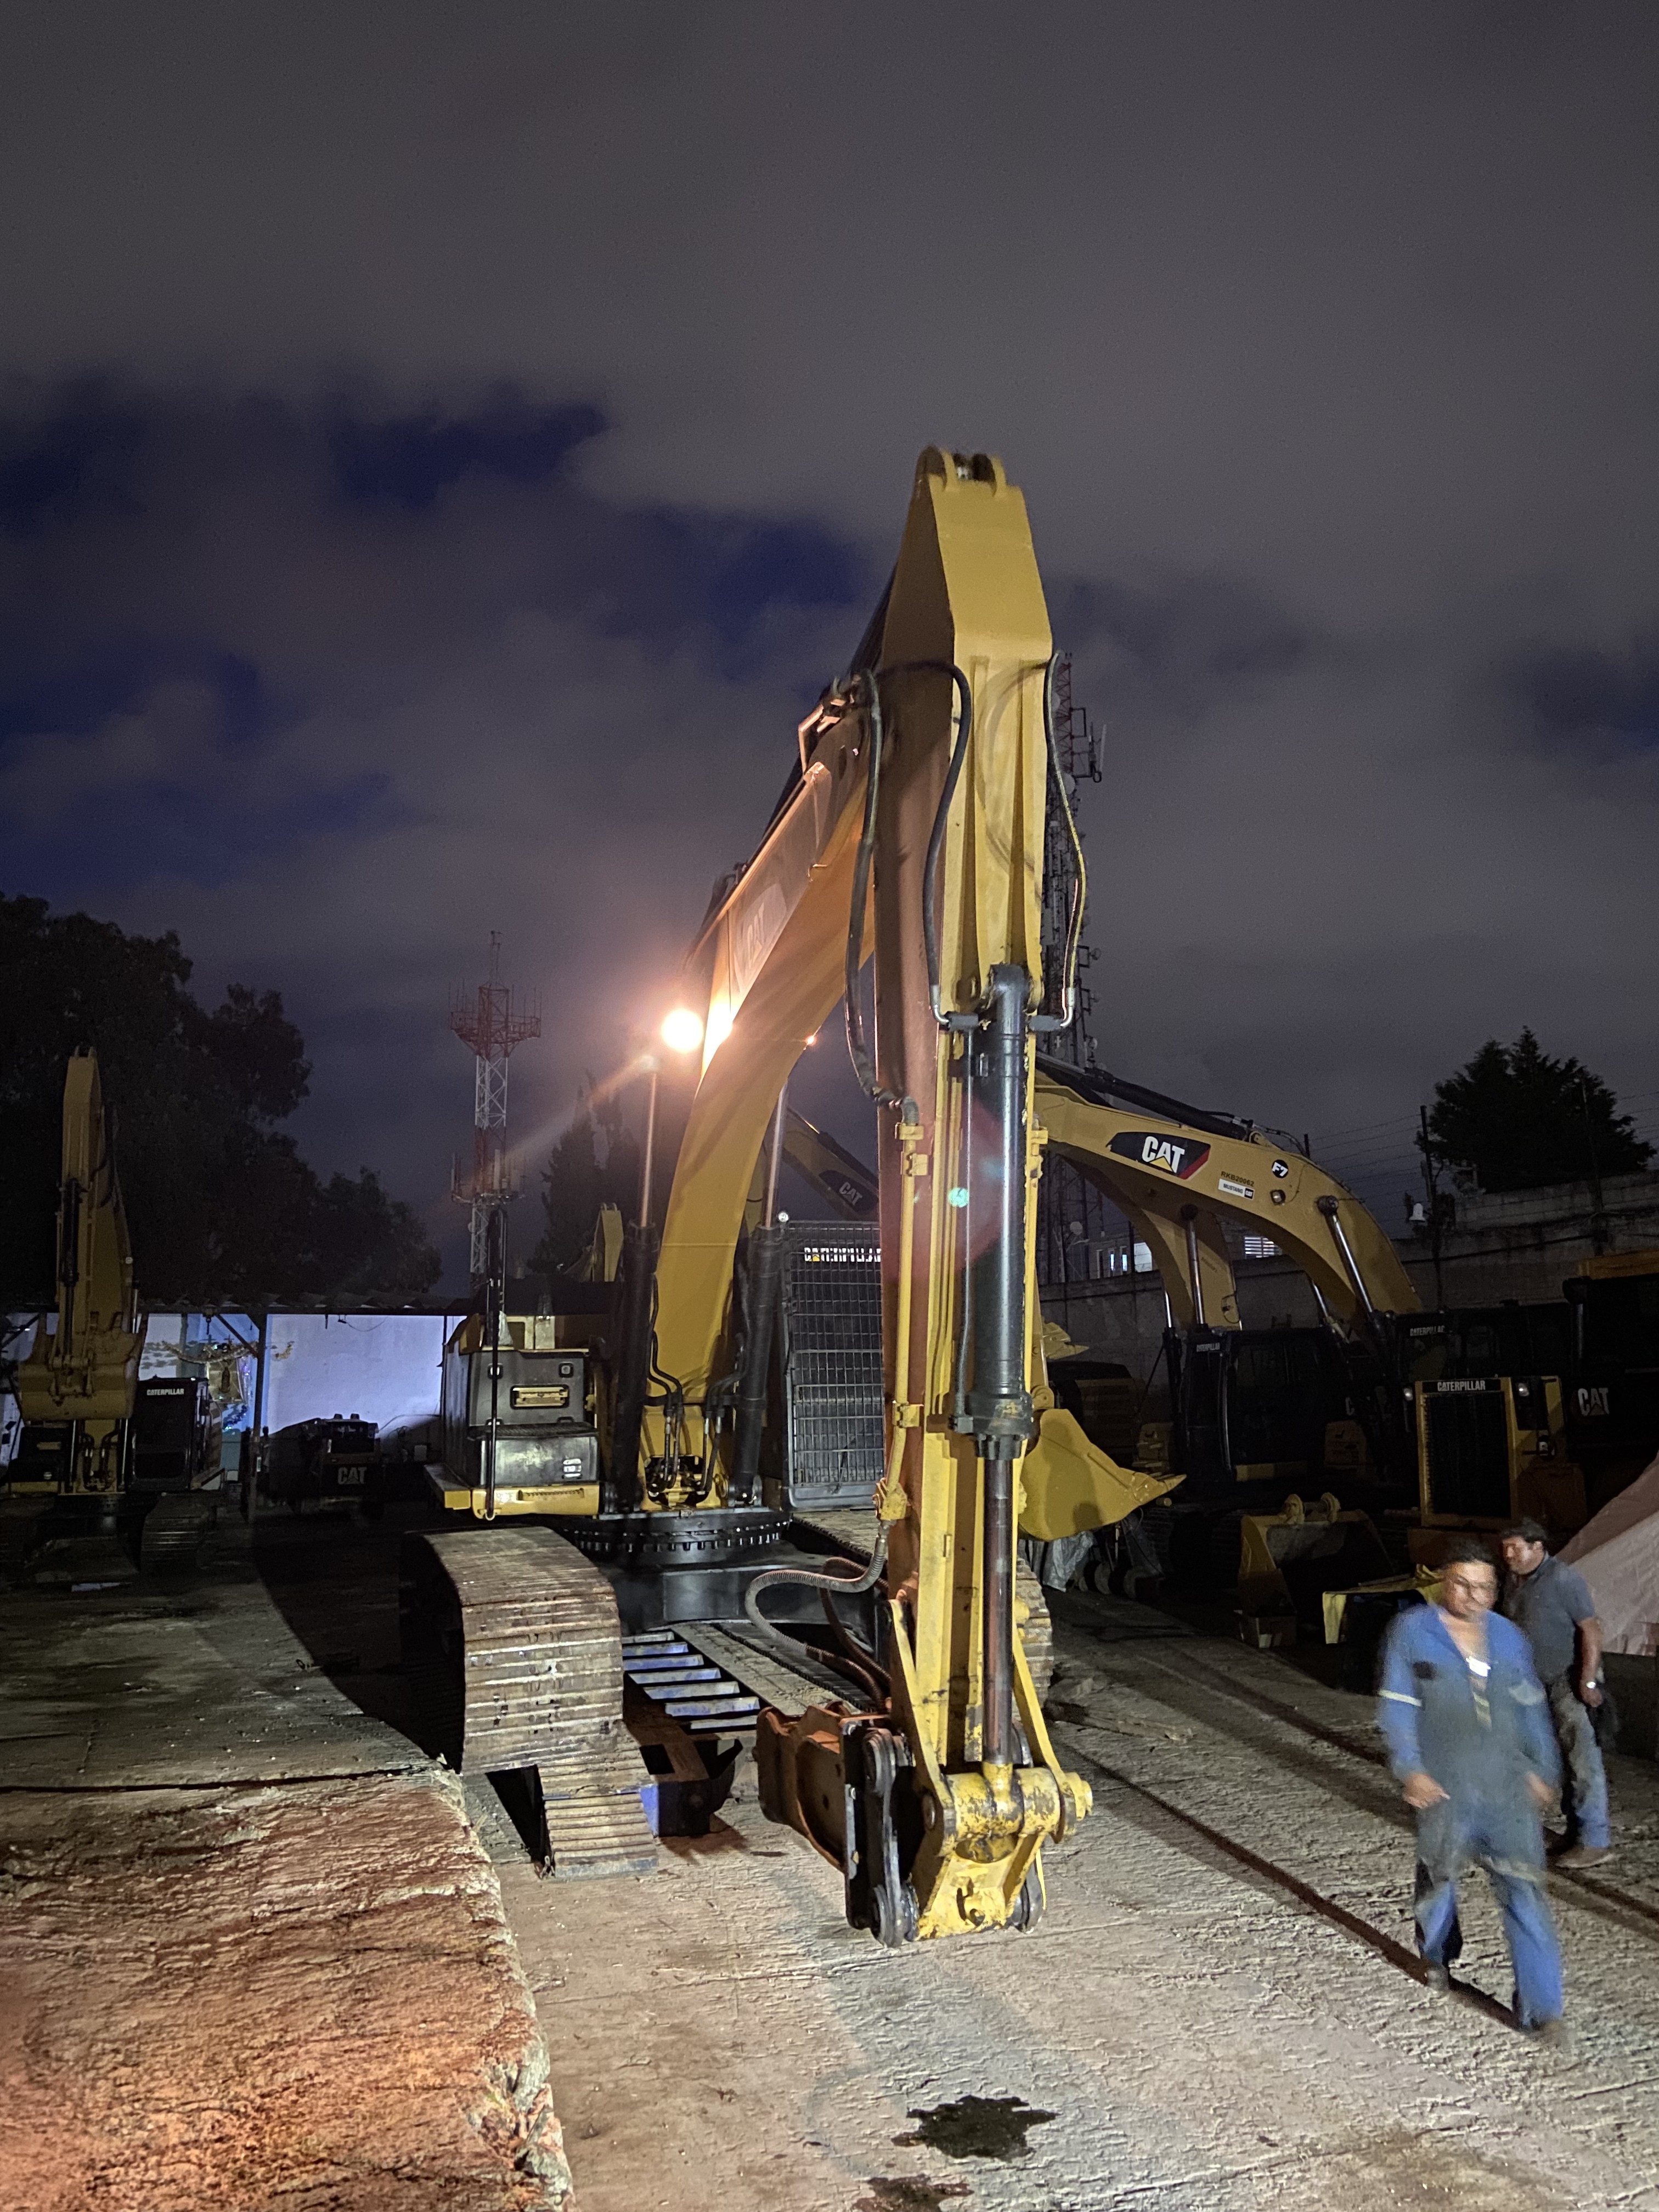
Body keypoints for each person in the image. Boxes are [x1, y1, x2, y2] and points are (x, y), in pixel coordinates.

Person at [1378, 1537, 1566, 2041]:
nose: (1474, 1596)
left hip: (1507, 1789)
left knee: (1525, 1892)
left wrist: (1542, 1770)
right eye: (1462, 1584)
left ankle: (1544, 2010)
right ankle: (1436, 1957)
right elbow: (1397, 1706)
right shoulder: (1412, 1632)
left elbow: (1532, 1709)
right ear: (1443, 1580)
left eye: (1485, 1587)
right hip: (1445, 1786)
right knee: (1439, 1880)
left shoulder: (1509, 1639)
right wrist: (1410, 1768)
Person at [1500, 1518, 1612, 1869]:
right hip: (1533, 1682)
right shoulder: (1514, 1580)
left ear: (1538, 1547)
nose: (1508, 1555)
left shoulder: (1563, 1579)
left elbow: (1591, 1630)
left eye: (1516, 1547)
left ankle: (1596, 1840)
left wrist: (1588, 1681)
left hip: (1567, 1678)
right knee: (1559, 1759)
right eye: (1505, 1548)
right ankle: (1575, 1831)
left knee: (1582, 1758)